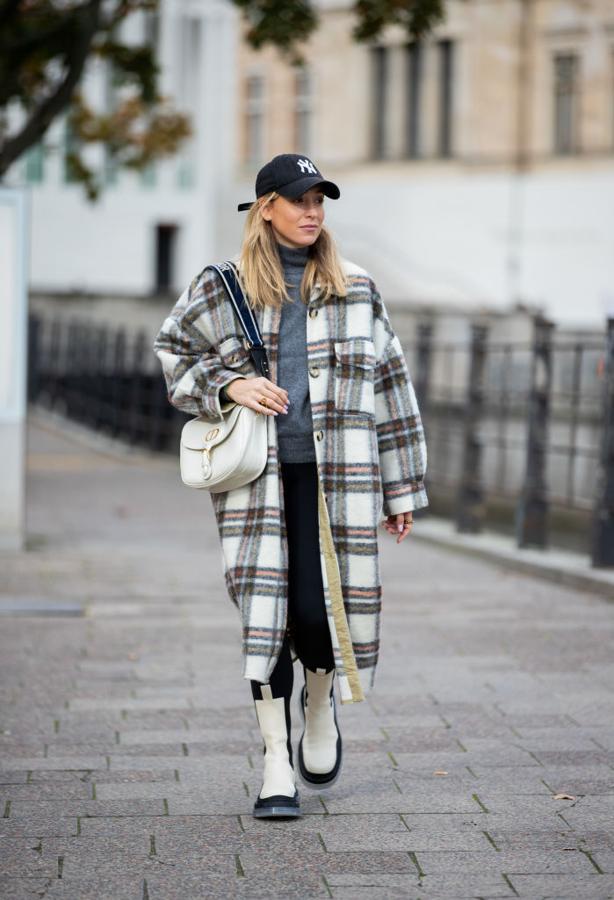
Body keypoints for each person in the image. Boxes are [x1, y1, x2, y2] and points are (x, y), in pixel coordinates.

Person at [153, 153, 428, 819]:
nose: (312, 212)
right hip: (258, 478)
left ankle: (320, 703)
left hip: (341, 480)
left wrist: (402, 486)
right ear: (266, 207)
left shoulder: (356, 287)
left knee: (318, 611)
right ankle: (276, 760)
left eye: (319, 201)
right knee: (267, 616)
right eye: (299, 200)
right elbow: (173, 353)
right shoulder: (224, 285)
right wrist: (230, 385)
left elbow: (391, 384)